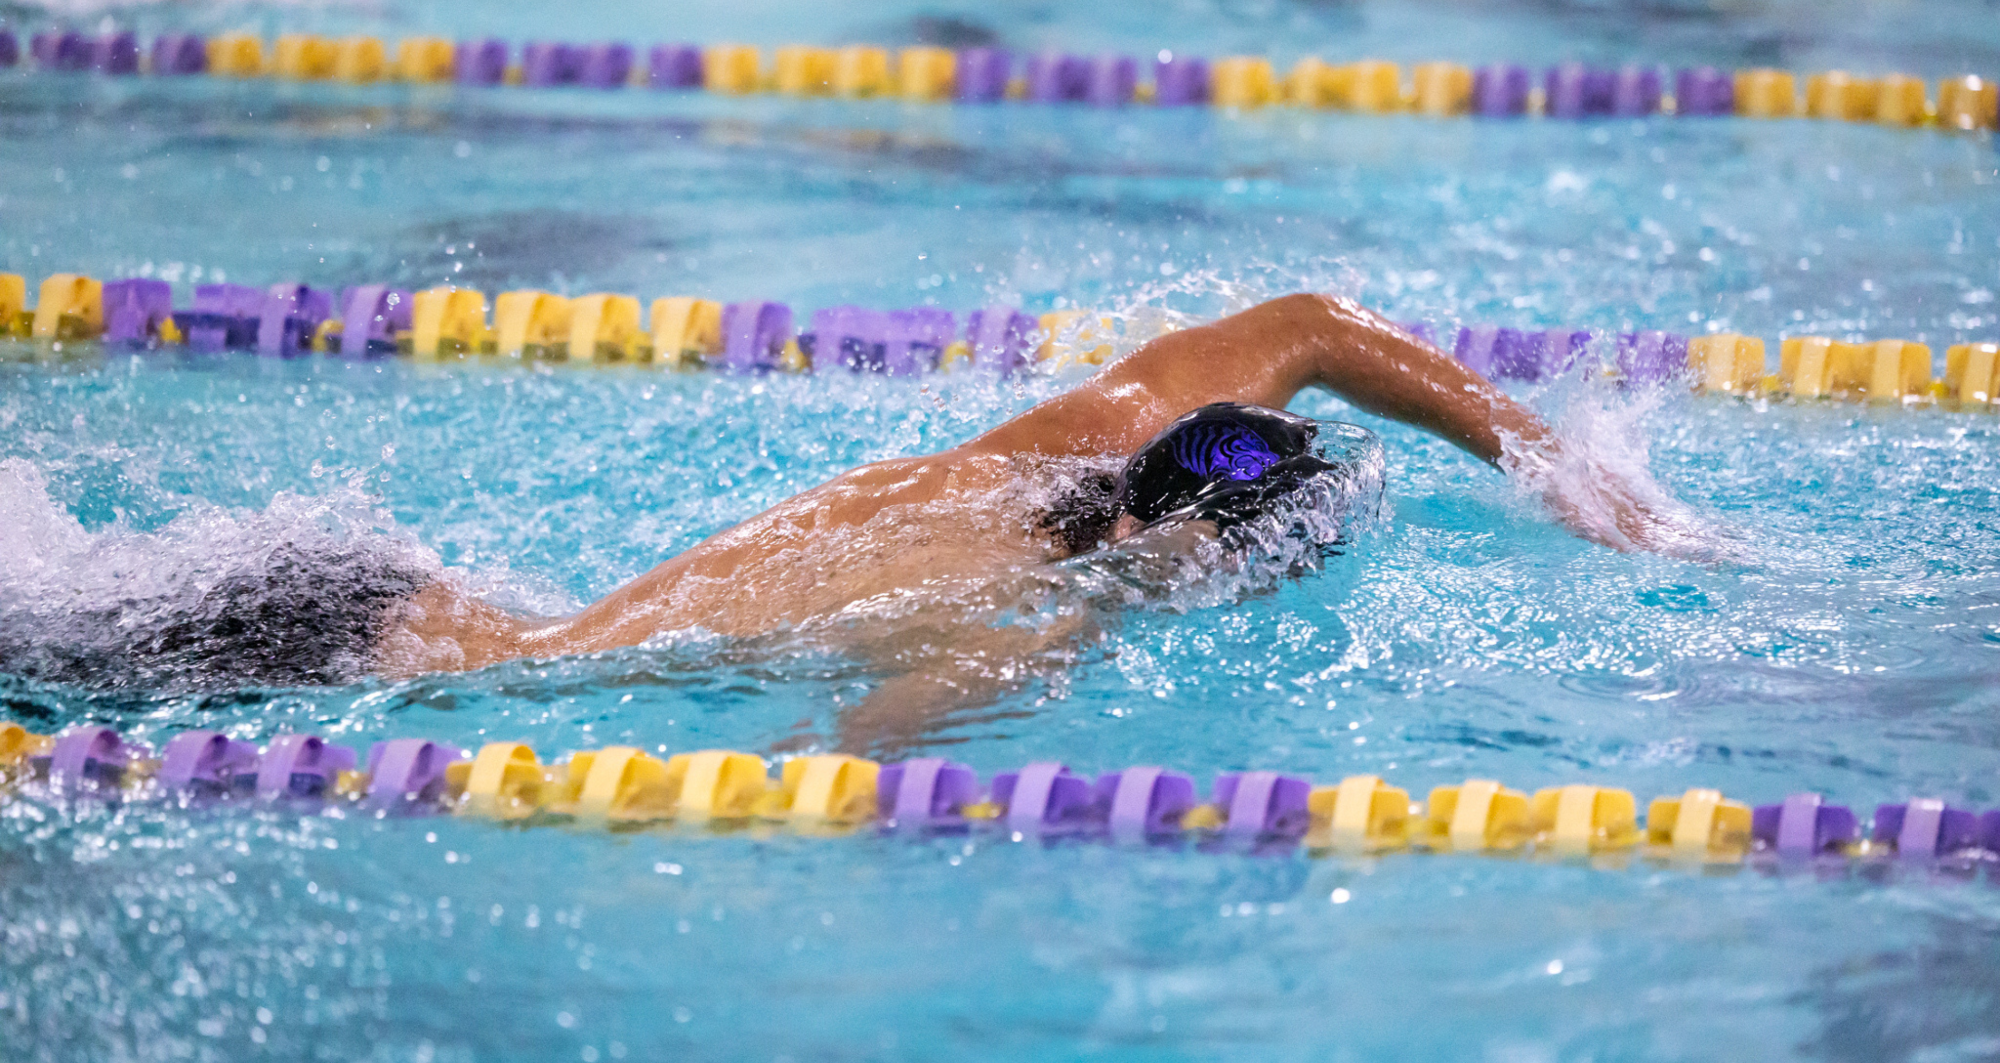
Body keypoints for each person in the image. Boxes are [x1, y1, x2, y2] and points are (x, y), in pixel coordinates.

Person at [363, 293, 1688, 738]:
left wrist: (1549, 458)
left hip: (416, 608)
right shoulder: (1027, 621)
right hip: (436, 678)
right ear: (1180, 545)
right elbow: (840, 761)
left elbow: (1307, 328)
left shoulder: (1086, 444)